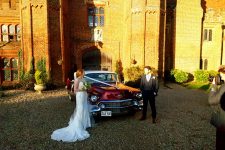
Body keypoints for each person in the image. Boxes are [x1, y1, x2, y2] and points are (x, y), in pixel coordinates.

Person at [51, 69, 91, 142]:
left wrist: (87, 88)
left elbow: (87, 88)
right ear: (80, 73)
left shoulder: (84, 79)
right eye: (83, 72)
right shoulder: (77, 80)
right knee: (80, 109)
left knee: (85, 108)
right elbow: (75, 90)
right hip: (80, 96)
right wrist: (83, 88)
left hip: (84, 95)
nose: (84, 73)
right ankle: (78, 125)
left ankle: (84, 124)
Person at [208, 65, 225, 149]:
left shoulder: (224, 88)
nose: (220, 76)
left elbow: (211, 100)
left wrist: (214, 86)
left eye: (221, 74)